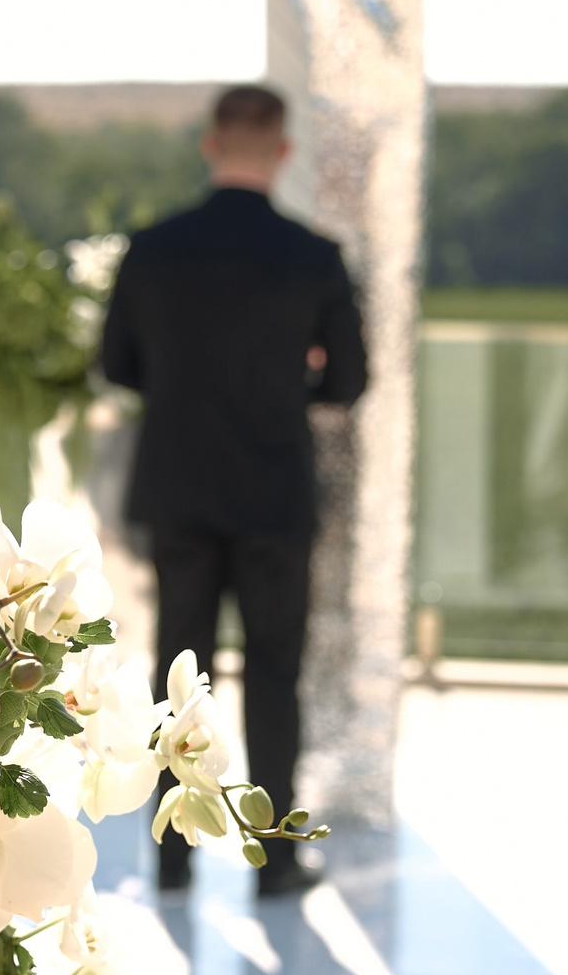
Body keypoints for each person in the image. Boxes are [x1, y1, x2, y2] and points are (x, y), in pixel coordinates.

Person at [99, 85, 367, 896]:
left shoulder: (152, 247)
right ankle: (275, 858)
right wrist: (300, 377)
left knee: (178, 673)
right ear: (282, 151)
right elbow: (350, 380)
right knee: (275, 675)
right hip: (274, 495)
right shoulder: (313, 257)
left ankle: (172, 859)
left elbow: (117, 366)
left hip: (179, 489)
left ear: (211, 145)